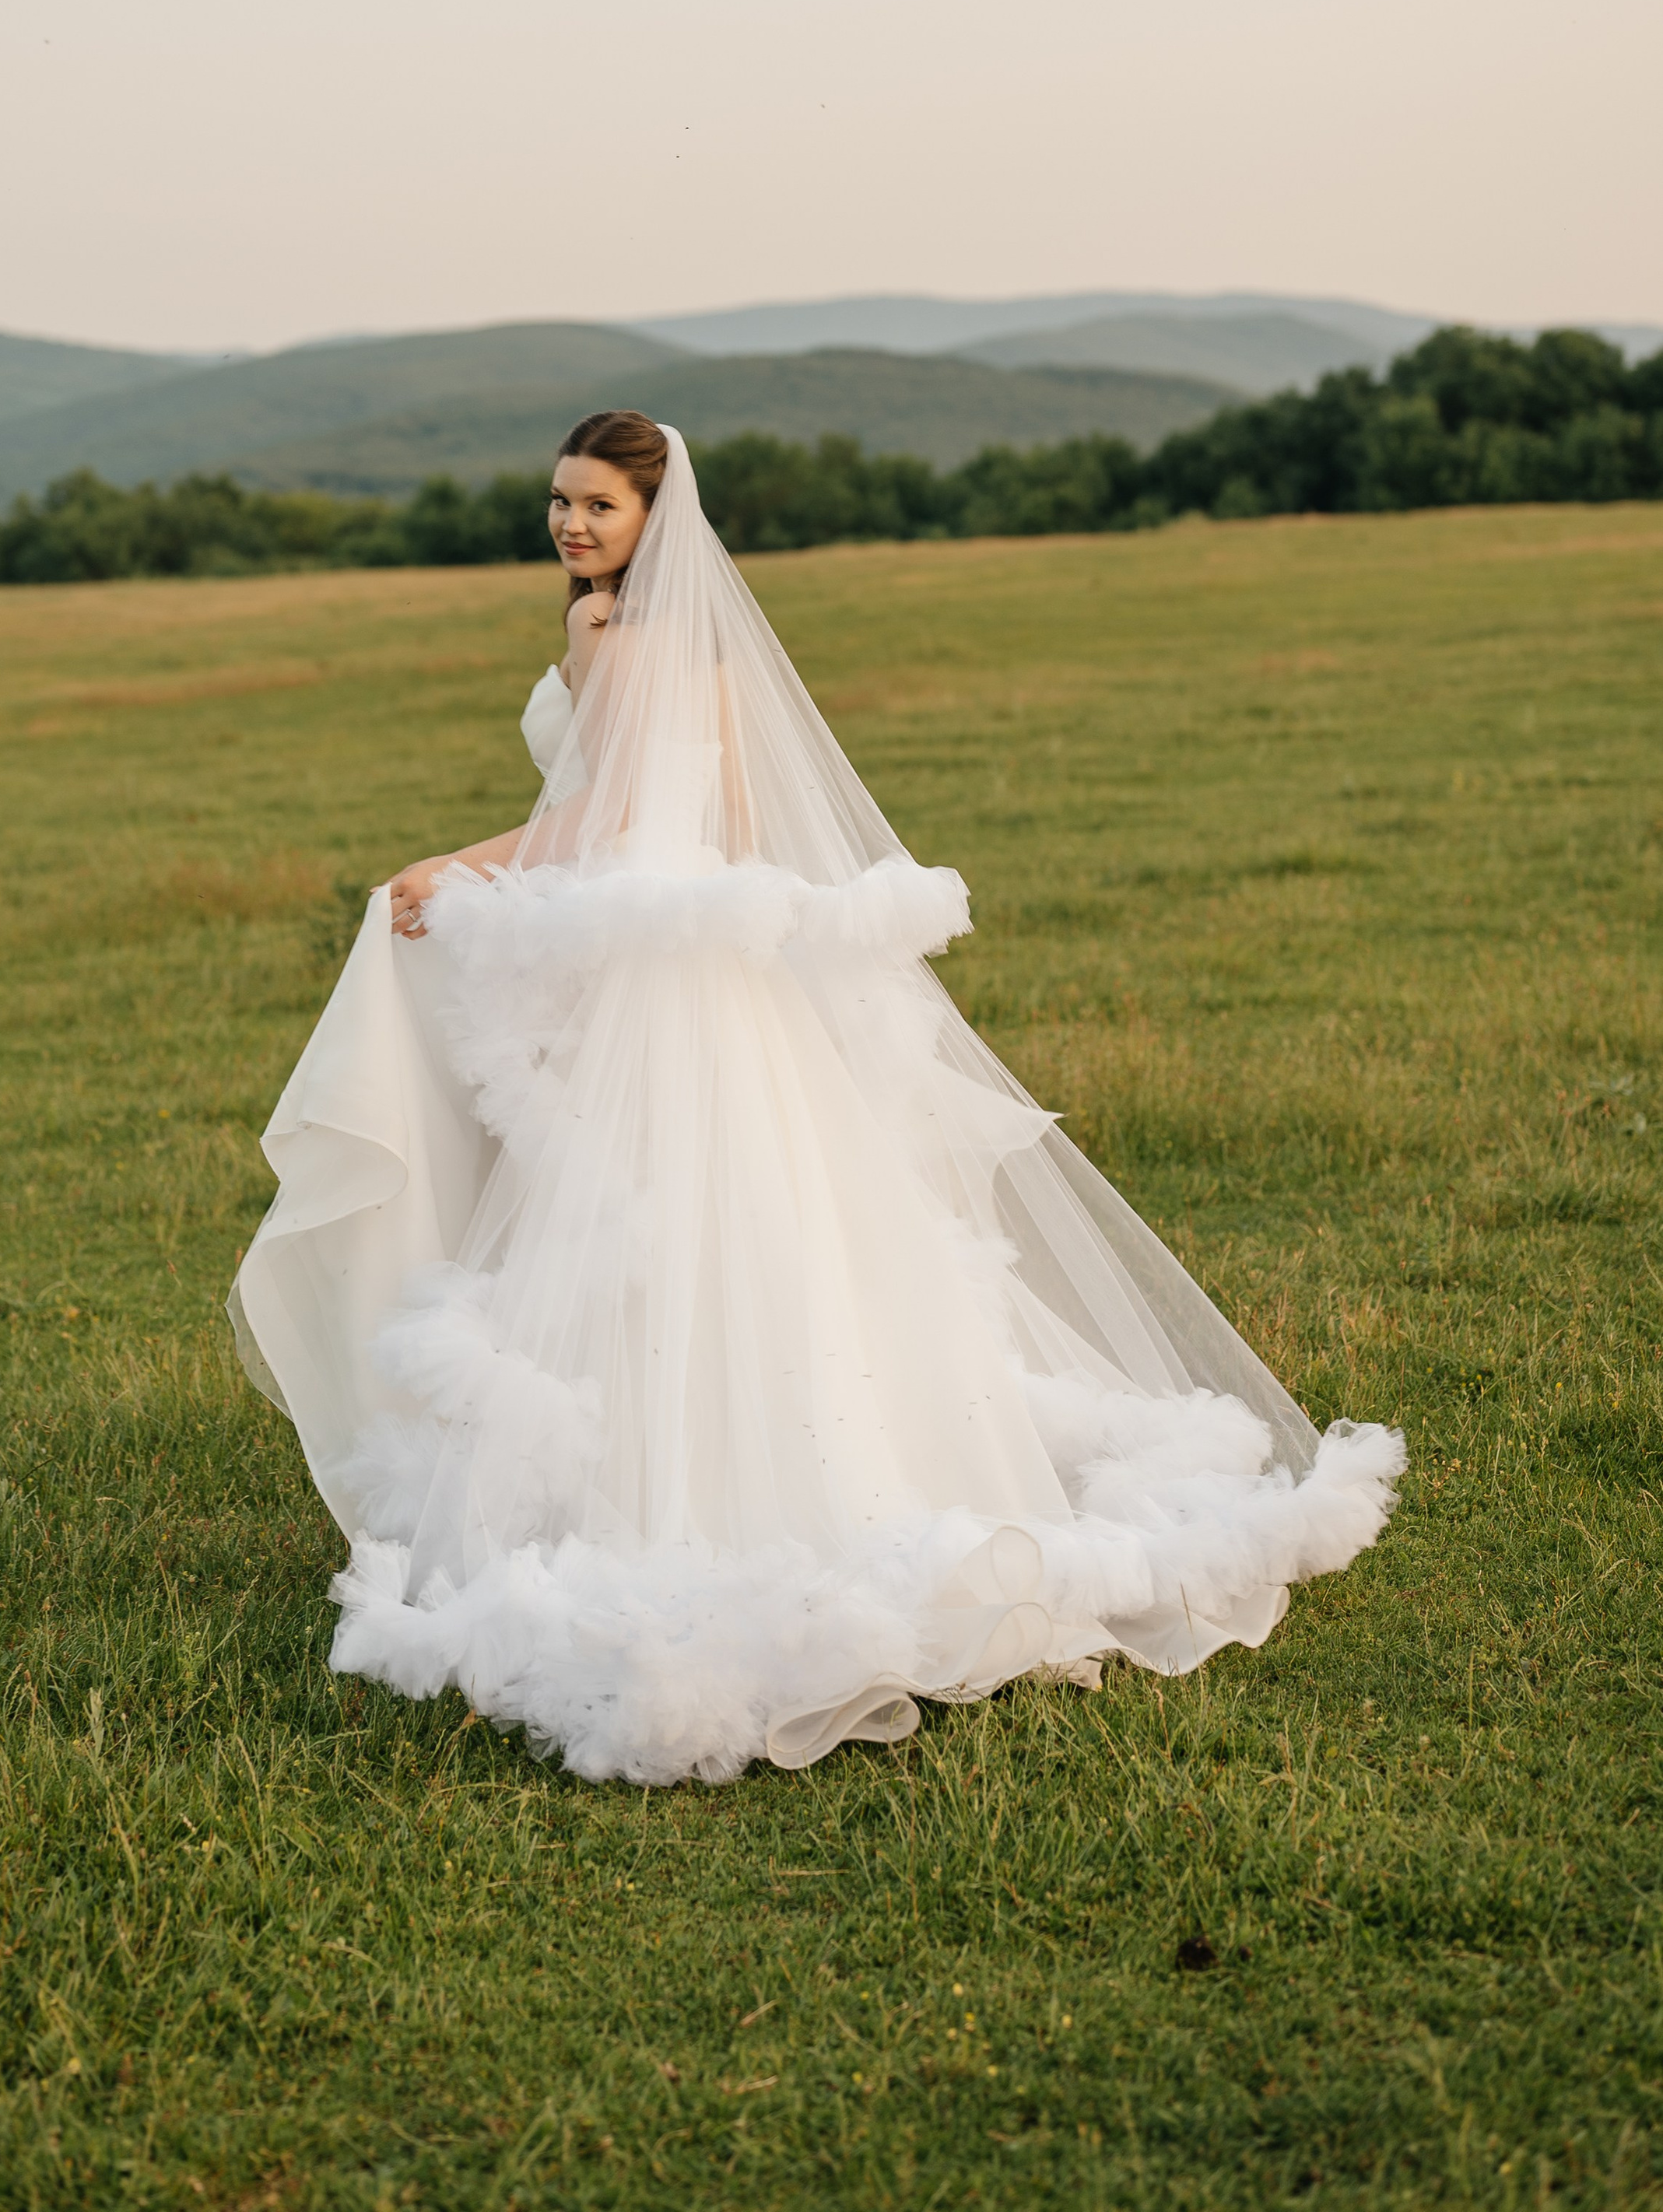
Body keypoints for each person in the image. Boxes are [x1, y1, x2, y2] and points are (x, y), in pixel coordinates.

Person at [230, 409, 1401, 1785]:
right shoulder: (684, 644)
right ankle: (804, 1457)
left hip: (650, 967)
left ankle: (692, 1490)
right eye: (560, 502)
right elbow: (686, 820)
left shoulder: (619, 639)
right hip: (687, 960)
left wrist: (456, 865)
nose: (570, 525)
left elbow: (601, 823)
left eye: (598, 506)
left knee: (646, 1220)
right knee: (742, 1212)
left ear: (656, 520)